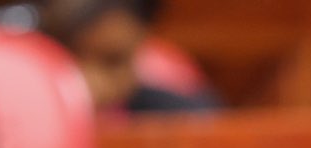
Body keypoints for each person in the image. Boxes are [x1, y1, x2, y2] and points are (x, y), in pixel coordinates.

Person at [37, 0, 216, 114]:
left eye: (113, 61)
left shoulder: (176, 110)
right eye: (71, 59)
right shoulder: (32, 112)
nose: (92, 81)